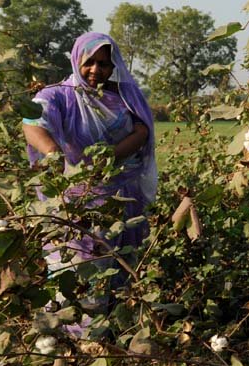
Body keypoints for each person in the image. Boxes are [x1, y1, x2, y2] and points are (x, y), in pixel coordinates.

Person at [22, 32, 156, 331]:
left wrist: (108, 157)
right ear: (76, 59)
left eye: (105, 64)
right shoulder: (57, 94)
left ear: (114, 66)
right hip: (79, 202)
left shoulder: (124, 94)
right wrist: (53, 153)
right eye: (90, 62)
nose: (97, 70)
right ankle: (77, 342)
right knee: (81, 271)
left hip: (124, 198)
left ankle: (117, 338)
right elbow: (33, 123)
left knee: (122, 270)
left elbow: (142, 131)